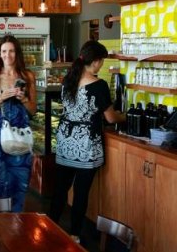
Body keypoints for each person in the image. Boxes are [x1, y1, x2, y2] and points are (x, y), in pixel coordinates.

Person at [48, 40, 125, 243]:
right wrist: (123, 116)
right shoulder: (99, 85)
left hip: (65, 141)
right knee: (81, 193)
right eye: (102, 62)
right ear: (97, 61)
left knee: (60, 188)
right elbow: (110, 118)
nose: (102, 66)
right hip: (85, 145)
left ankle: (49, 226)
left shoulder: (68, 80)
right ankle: (74, 234)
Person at [0, 34, 36, 212]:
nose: (7, 55)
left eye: (11, 51)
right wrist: (1, 98)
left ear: (16, 53)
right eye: (4, 51)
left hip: (19, 136)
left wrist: (24, 99)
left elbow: (33, 110)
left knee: (19, 182)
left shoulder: (27, 76)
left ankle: (15, 228)